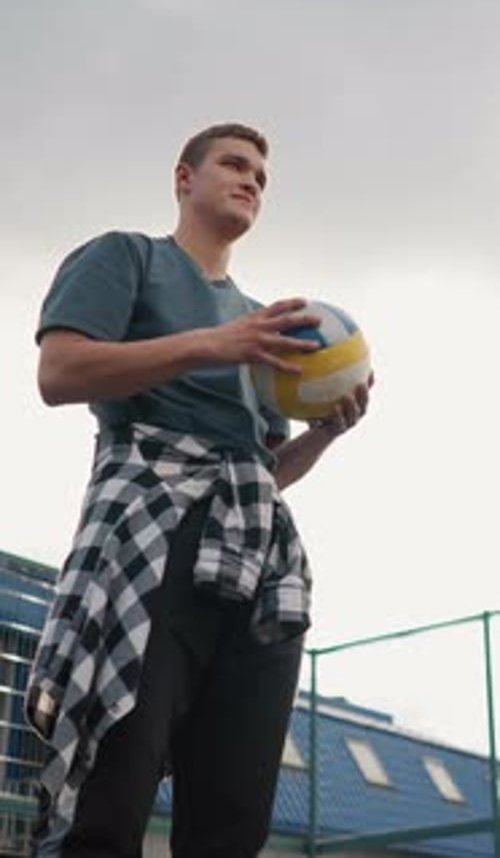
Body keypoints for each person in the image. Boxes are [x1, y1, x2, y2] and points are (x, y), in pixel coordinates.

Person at [26, 123, 372, 858]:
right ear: (184, 178)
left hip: (256, 559)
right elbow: (59, 373)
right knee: (115, 783)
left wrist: (326, 434)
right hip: (148, 531)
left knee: (233, 811)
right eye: (234, 165)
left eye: (261, 177)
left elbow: (260, 472)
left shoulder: (266, 326)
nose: (251, 180)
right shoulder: (128, 258)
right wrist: (215, 344)